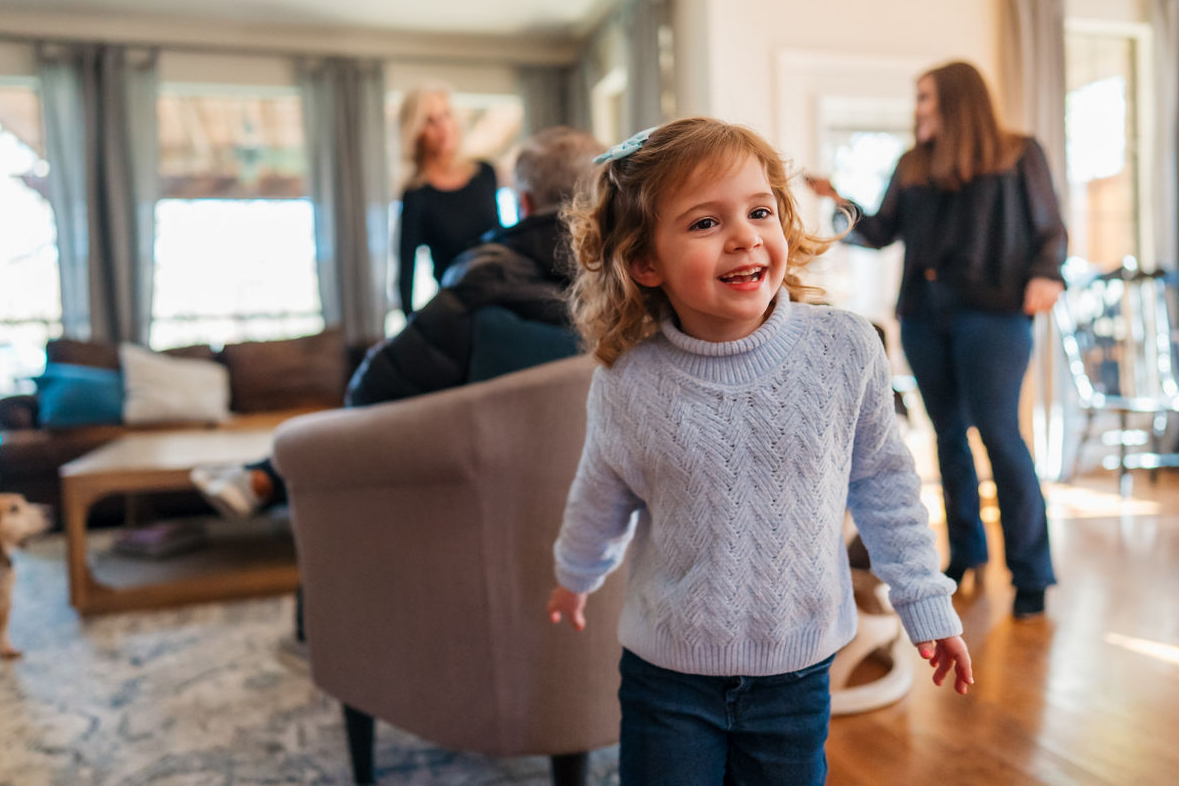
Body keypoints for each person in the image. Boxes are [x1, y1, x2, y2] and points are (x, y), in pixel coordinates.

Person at [545, 117, 971, 786]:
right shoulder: (629, 381)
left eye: (759, 211)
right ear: (644, 261)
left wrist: (924, 598)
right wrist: (576, 571)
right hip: (669, 678)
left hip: (796, 674)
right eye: (704, 224)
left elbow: (886, 485)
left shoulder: (845, 350)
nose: (744, 236)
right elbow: (602, 489)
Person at [190, 125, 603, 515]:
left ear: (523, 203)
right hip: (601, 514)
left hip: (473, 504)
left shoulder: (481, 287)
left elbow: (368, 392)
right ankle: (261, 474)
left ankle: (262, 477)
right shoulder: (634, 291)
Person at [806, 60, 1067, 620]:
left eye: (926, 99)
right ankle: (965, 553)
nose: (918, 109)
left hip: (994, 315)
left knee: (1000, 435)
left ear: (956, 100)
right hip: (925, 316)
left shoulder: (1019, 153)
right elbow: (879, 232)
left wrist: (1048, 273)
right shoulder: (913, 164)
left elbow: (1050, 227)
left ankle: (1031, 573)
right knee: (948, 436)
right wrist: (835, 197)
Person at [395, 82, 501, 317]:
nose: (443, 128)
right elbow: (405, 274)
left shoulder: (485, 173)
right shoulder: (416, 195)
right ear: (415, 131)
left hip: (505, 294)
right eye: (430, 121)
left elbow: (505, 240)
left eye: (446, 115)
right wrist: (414, 333)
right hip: (460, 311)